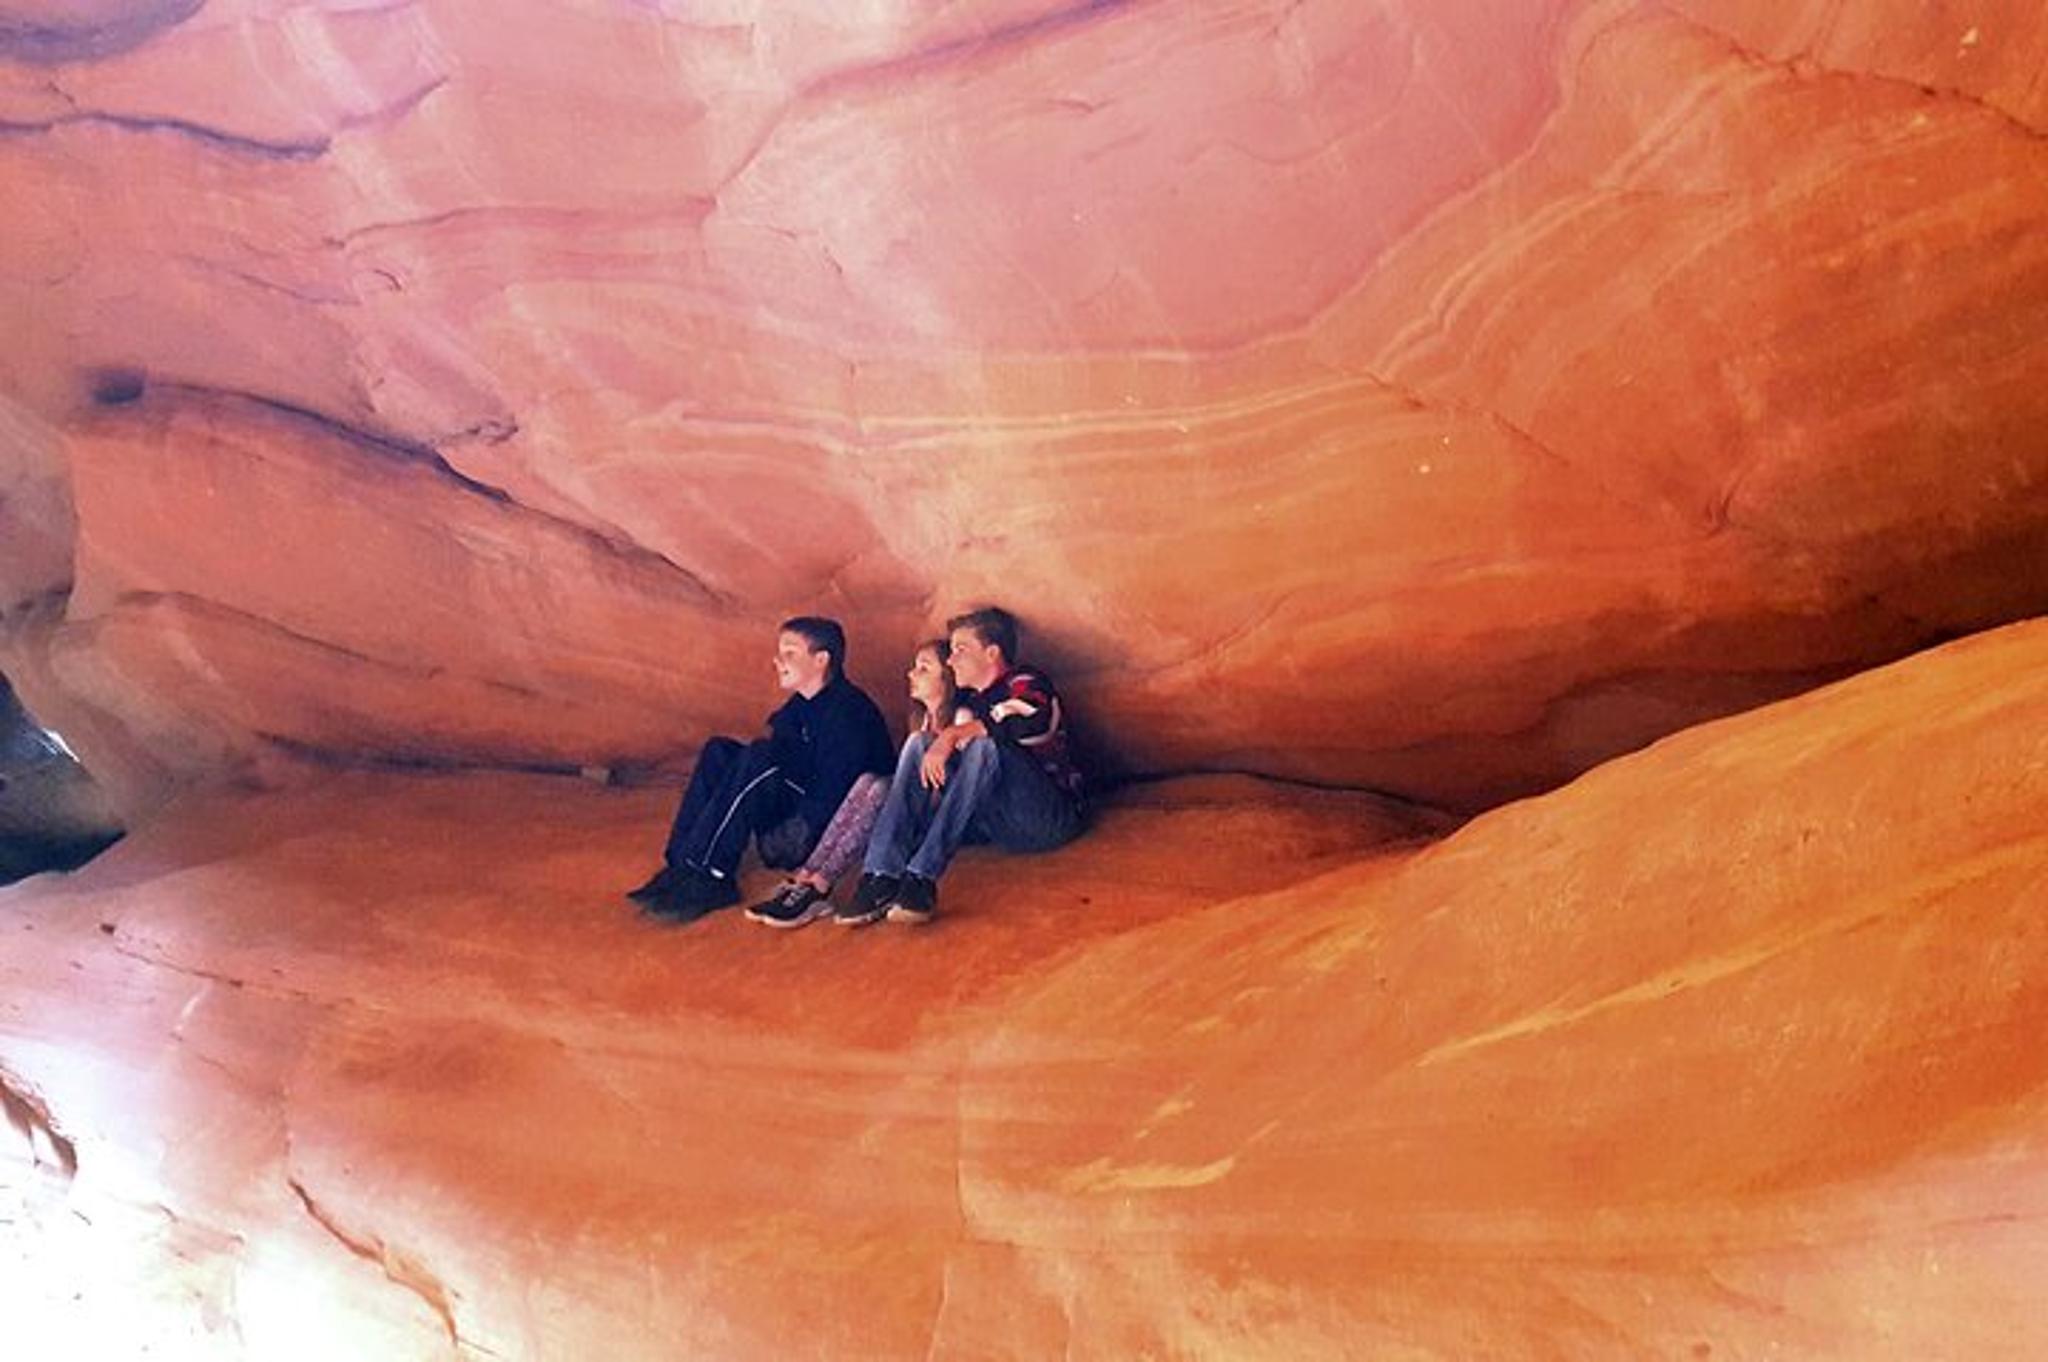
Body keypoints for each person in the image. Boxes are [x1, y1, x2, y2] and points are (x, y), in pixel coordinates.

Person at [627, 617, 893, 923]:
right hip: (795, 813)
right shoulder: (800, 705)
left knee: (761, 757)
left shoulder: (849, 713)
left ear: (821, 660)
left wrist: (796, 845)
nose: (778, 661)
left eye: (790, 653)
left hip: (814, 835)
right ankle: (682, 864)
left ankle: (712, 874)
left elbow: (837, 798)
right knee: (720, 750)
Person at [839, 606, 1085, 926]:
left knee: (984, 745)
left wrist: (955, 734)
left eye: (960, 650)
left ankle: (921, 879)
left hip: (1050, 819)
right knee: (919, 744)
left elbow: (1032, 721)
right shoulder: (970, 704)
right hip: (1001, 828)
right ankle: (880, 876)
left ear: (992, 652)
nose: (951, 660)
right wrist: (941, 743)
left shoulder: (1025, 680)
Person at [745, 638, 961, 929]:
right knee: (868, 781)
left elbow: (952, 791)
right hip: (910, 811)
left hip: (931, 818)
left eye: (923, 668)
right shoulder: (919, 719)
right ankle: (806, 877)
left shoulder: (960, 720)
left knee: (882, 789)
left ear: (948, 678)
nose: (911, 674)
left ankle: (821, 884)